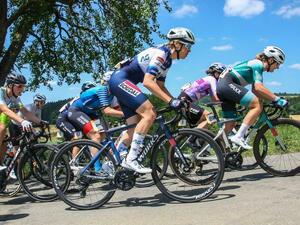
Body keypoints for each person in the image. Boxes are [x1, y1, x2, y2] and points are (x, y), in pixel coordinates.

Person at [109, 27, 196, 173]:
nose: (189, 50)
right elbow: (148, 82)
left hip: (123, 83)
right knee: (149, 113)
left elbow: (160, 85)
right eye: (188, 46)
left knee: (133, 128)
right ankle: (131, 159)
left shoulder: (168, 61)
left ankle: (112, 161)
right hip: (120, 80)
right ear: (177, 44)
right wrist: (170, 101)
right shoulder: (162, 54)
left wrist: (175, 100)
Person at [216, 46, 288, 149]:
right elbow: (259, 88)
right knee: (257, 105)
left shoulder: (255, 64)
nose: (277, 67)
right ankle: (239, 136)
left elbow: (255, 90)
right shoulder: (258, 64)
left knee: (230, 125)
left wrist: (269, 99)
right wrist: (277, 99)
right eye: (277, 64)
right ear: (271, 60)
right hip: (227, 85)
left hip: (223, 87)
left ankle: (211, 148)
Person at [66, 75, 123, 174]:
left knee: (104, 135)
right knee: (96, 135)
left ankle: (110, 162)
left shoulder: (113, 95)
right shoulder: (102, 90)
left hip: (93, 114)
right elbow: (108, 111)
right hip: (76, 111)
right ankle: (98, 168)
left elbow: (118, 109)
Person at [0, 73, 44, 171]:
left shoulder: (15, 98)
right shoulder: (1, 92)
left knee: (4, 144)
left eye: (23, 87)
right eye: (20, 86)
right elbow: (5, 109)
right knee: (2, 128)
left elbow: (25, 112)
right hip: (3, 113)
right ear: (10, 85)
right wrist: (22, 121)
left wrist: (41, 122)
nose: (22, 90)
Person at [178, 62, 226, 128]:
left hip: (184, 101)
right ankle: (195, 136)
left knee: (202, 121)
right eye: (221, 74)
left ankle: (195, 136)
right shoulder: (212, 80)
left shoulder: (208, 79)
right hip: (185, 101)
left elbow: (215, 100)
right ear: (216, 72)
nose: (221, 77)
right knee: (210, 117)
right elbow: (217, 99)